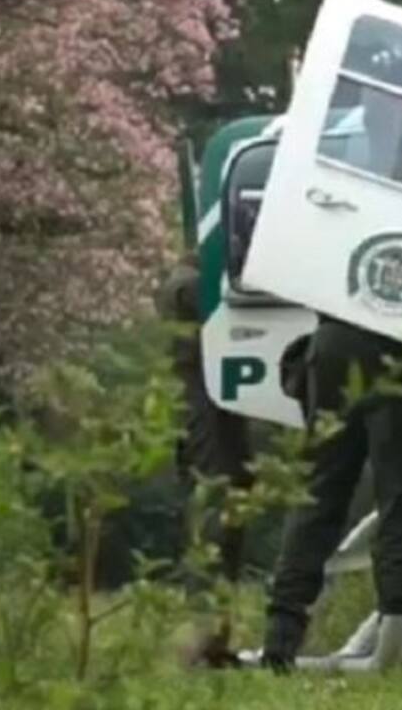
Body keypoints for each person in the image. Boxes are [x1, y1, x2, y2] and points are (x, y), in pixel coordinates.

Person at [260, 314, 402, 672]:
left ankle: (280, 640)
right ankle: (400, 630)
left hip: (331, 343)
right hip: (398, 341)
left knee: (318, 495)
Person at [155, 250, 255, 667]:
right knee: (216, 518)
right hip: (205, 411)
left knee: (223, 518)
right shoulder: (188, 286)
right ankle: (204, 642)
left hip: (210, 408)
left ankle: (213, 641)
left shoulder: (185, 282)